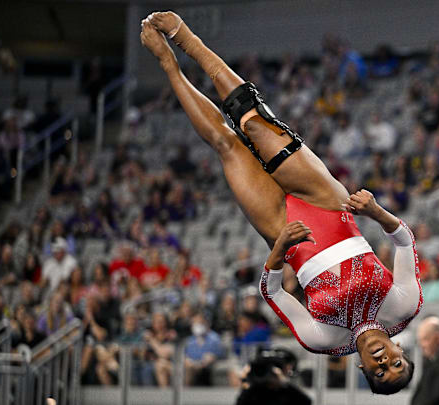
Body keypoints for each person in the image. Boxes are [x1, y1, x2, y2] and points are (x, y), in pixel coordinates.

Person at [140, 11, 422, 395]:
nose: (383, 361)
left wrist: (279, 249)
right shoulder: (404, 307)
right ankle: (188, 39)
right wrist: (375, 212)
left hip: (283, 231)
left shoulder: (321, 339)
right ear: (400, 349)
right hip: (327, 204)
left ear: (362, 369)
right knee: (252, 121)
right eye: (396, 363)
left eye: (379, 372)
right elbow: (404, 240)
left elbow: (272, 292)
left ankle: (167, 64)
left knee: (226, 144)